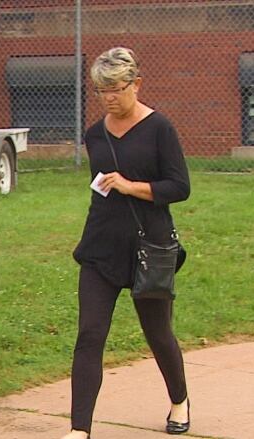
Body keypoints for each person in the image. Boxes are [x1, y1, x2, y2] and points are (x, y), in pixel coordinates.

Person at [62, 47, 191, 438]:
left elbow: (179, 187)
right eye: (101, 91)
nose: (109, 98)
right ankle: (79, 430)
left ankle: (179, 402)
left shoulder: (159, 129)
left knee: (159, 334)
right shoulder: (94, 135)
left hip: (148, 249)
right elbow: (101, 188)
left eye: (116, 89)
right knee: (90, 334)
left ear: (136, 84)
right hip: (101, 248)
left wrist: (131, 186)